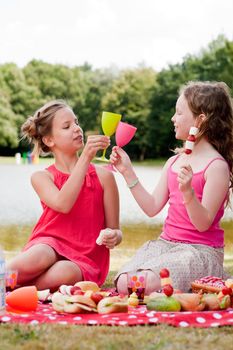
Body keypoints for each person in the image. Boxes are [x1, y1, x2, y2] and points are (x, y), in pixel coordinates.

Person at [110, 81, 233, 294]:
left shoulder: (217, 167)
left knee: (143, 283)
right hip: (166, 245)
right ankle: (162, 291)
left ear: (200, 120)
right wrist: (127, 171)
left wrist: (188, 193)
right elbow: (152, 207)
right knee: (123, 282)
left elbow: (203, 224)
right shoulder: (174, 163)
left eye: (179, 113)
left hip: (199, 251)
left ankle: (194, 285)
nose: (173, 119)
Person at [7, 100, 122, 291]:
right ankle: (8, 282)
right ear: (49, 140)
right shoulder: (42, 177)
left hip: (85, 258)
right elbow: (63, 204)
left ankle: (15, 289)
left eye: (76, 122)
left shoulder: (104, 177)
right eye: (67, 126)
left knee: (65, 272)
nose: (77, 128)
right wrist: (85, 157)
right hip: (48, 243)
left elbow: (116, 231)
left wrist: (114, 236)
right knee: (41, 254)